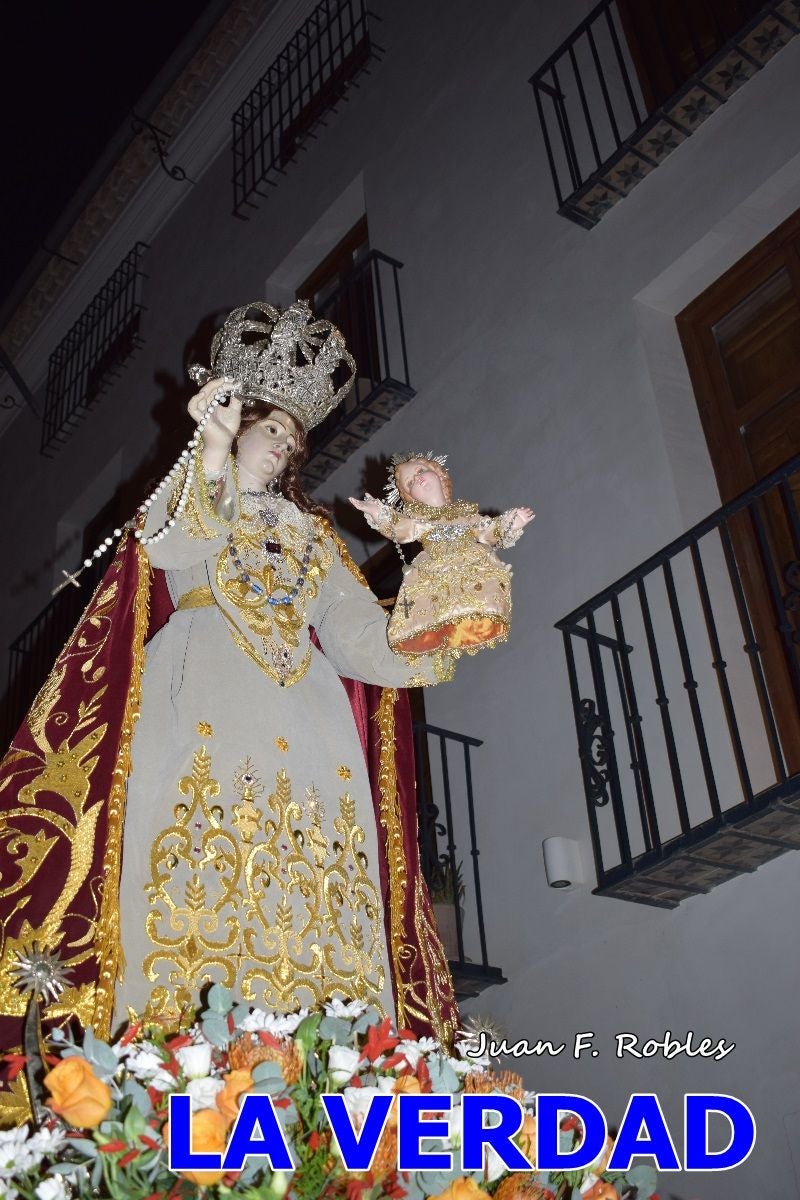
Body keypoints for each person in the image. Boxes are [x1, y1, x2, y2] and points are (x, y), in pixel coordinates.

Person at [0, 303, 459, 1084]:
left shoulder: (318, 537)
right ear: (235, 419)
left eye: (292, 437)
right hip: (203, 698)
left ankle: (335, 1081)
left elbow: (354, 635)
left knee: (321, 901)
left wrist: (438, 606)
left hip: (313, 732)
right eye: (269, 424)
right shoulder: (188, 494)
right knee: (190, 872)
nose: (281, 443)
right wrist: (206, 452)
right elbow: (176, 547)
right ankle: (175, 1084)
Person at [349, 452, 534, 658]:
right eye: (410, 483)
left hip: (472, 566)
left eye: (420, 471)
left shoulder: (466, 514)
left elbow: (489, 531)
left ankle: (476, 619)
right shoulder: (420, 521)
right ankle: (433, 629)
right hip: (435, 570)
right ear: (411, 498)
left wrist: (512, 523)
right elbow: (399, 527)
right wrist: (377, 512)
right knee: (431, 602)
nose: (417, 478)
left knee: (480, 593)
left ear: (438, 473)